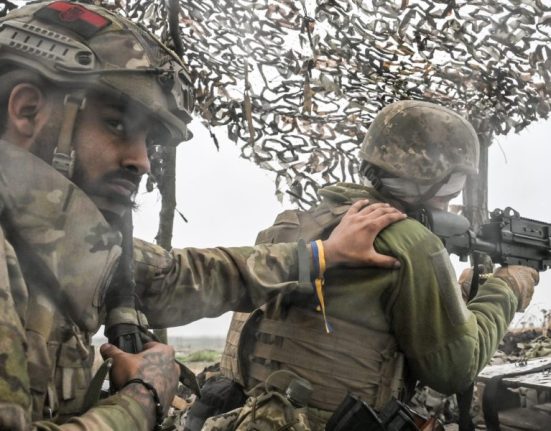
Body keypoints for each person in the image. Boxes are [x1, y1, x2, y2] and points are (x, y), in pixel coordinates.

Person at [0, 2, 406, 430]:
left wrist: (322, 255)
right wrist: (144, 397)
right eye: (116, 125)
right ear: (27, 110)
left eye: (148, 142)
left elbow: (184, 277)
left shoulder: (54, 242)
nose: (142, 162)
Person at [208, 100, 540, 430]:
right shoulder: (412, 243)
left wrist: (460, 292)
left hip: (246, 416)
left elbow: (357, 314)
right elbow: (456, 369)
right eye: (454, 185)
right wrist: (507, 287)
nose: (452, 198)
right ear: (435, 179)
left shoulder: (293, 224)